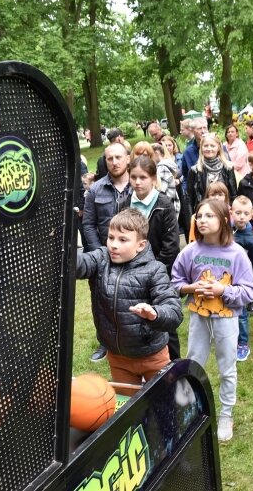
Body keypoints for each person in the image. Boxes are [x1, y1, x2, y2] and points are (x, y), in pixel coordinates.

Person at [172, 199, 253, 442]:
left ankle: (225, 415)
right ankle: (187, 409)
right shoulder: (190, 251)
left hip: (227, 319)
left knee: (226, 367)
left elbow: (249, 292)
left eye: (209, 216)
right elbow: (175, 282)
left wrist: (223, 291)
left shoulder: (237, 253)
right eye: (199, 216)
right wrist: (191, 287)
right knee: (193, 361)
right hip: (199, 317)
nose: (202, 220)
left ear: (223, 220)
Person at [76, 209, 183, 395]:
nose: (113, 245)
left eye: (123, 240)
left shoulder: (154, 270)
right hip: (118, 357)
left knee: (163, 400)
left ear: (141, 245)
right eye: (111, 237)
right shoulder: (101, 258)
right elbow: (78, 265)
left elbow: (174, 311)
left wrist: (154, 313)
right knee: (127, 406)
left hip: (152, 354)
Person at [118, 156, 181, 360]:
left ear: (153, 178)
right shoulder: (125, 204)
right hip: (131, 273)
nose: (137, 182)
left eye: (143, 177)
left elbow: (171, 246)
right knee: (137, 315)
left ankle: (174, 364)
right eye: (133, 177)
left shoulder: (164, 204)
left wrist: (153, 271)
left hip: (159, 272)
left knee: (163, 318)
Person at [83, 141, 132, 363]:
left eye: (118, 157)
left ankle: (130, 338)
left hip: (132, 255)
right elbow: (88, 224)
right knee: (100, 299)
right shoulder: (95, 189)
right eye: (109, 158)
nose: (114, 162)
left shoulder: (138, 185)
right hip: (102, 254)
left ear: (128, 158)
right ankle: (104, 341)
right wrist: (99, 254)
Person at [230, 196, 253, 362]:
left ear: (251, 215)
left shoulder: (250, 239)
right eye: (238, 212)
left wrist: (252, 278)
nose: (241, 216)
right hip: (225, 278)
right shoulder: (226, 230)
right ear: (231, 213)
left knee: (241, 313)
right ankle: (228, 337)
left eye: (245, 213)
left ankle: (242, 343)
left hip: (242, 281)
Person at [187, 133, 237, 213]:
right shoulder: (195, 170)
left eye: (212, 146)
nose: (209, 149)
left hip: (224, 212)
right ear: (201, 148)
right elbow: (189, 199)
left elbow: (233, 195)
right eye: (206, 146)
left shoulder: (228, 168)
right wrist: (190, 222)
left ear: (218, 148)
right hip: (204, 212)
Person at [151, 143, 180, 215]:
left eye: (150, 155)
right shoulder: (169, 165)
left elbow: (159, 191)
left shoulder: (162, 168)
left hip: (166, 209)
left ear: (156, 153)